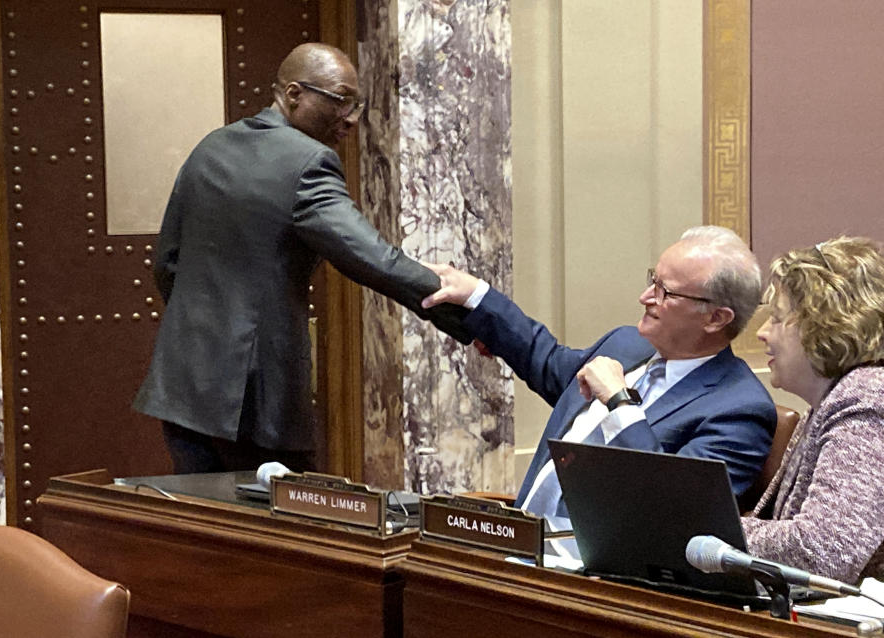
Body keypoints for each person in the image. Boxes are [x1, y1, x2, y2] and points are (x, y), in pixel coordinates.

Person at [134, 43, 471, 474]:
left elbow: (167, 262)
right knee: (278, 532)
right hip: (254, 405)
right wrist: (472, 313)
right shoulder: (308, 163)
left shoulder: (211, 147)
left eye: (356, 103)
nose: (350, 117)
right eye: (340, 100)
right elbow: (372, 258)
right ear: (294, 94)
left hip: (183, 391)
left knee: (204, 529)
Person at [422, 226, 775, 527]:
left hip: (599, 584)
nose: (645, 297)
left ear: (716, 318)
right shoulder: (626, 343)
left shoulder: (739, 410)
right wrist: (477, 297)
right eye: (653, 280)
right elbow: (545, 360)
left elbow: (673, 510)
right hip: (525, 542)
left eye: (665, 292)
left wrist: (620, 402)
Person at [744, 237, 884, 584]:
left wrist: (712, 531)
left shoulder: (867, 399)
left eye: (776, 319)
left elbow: (824, 550)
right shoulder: (841, 395)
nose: (761, 332)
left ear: (826, 325)